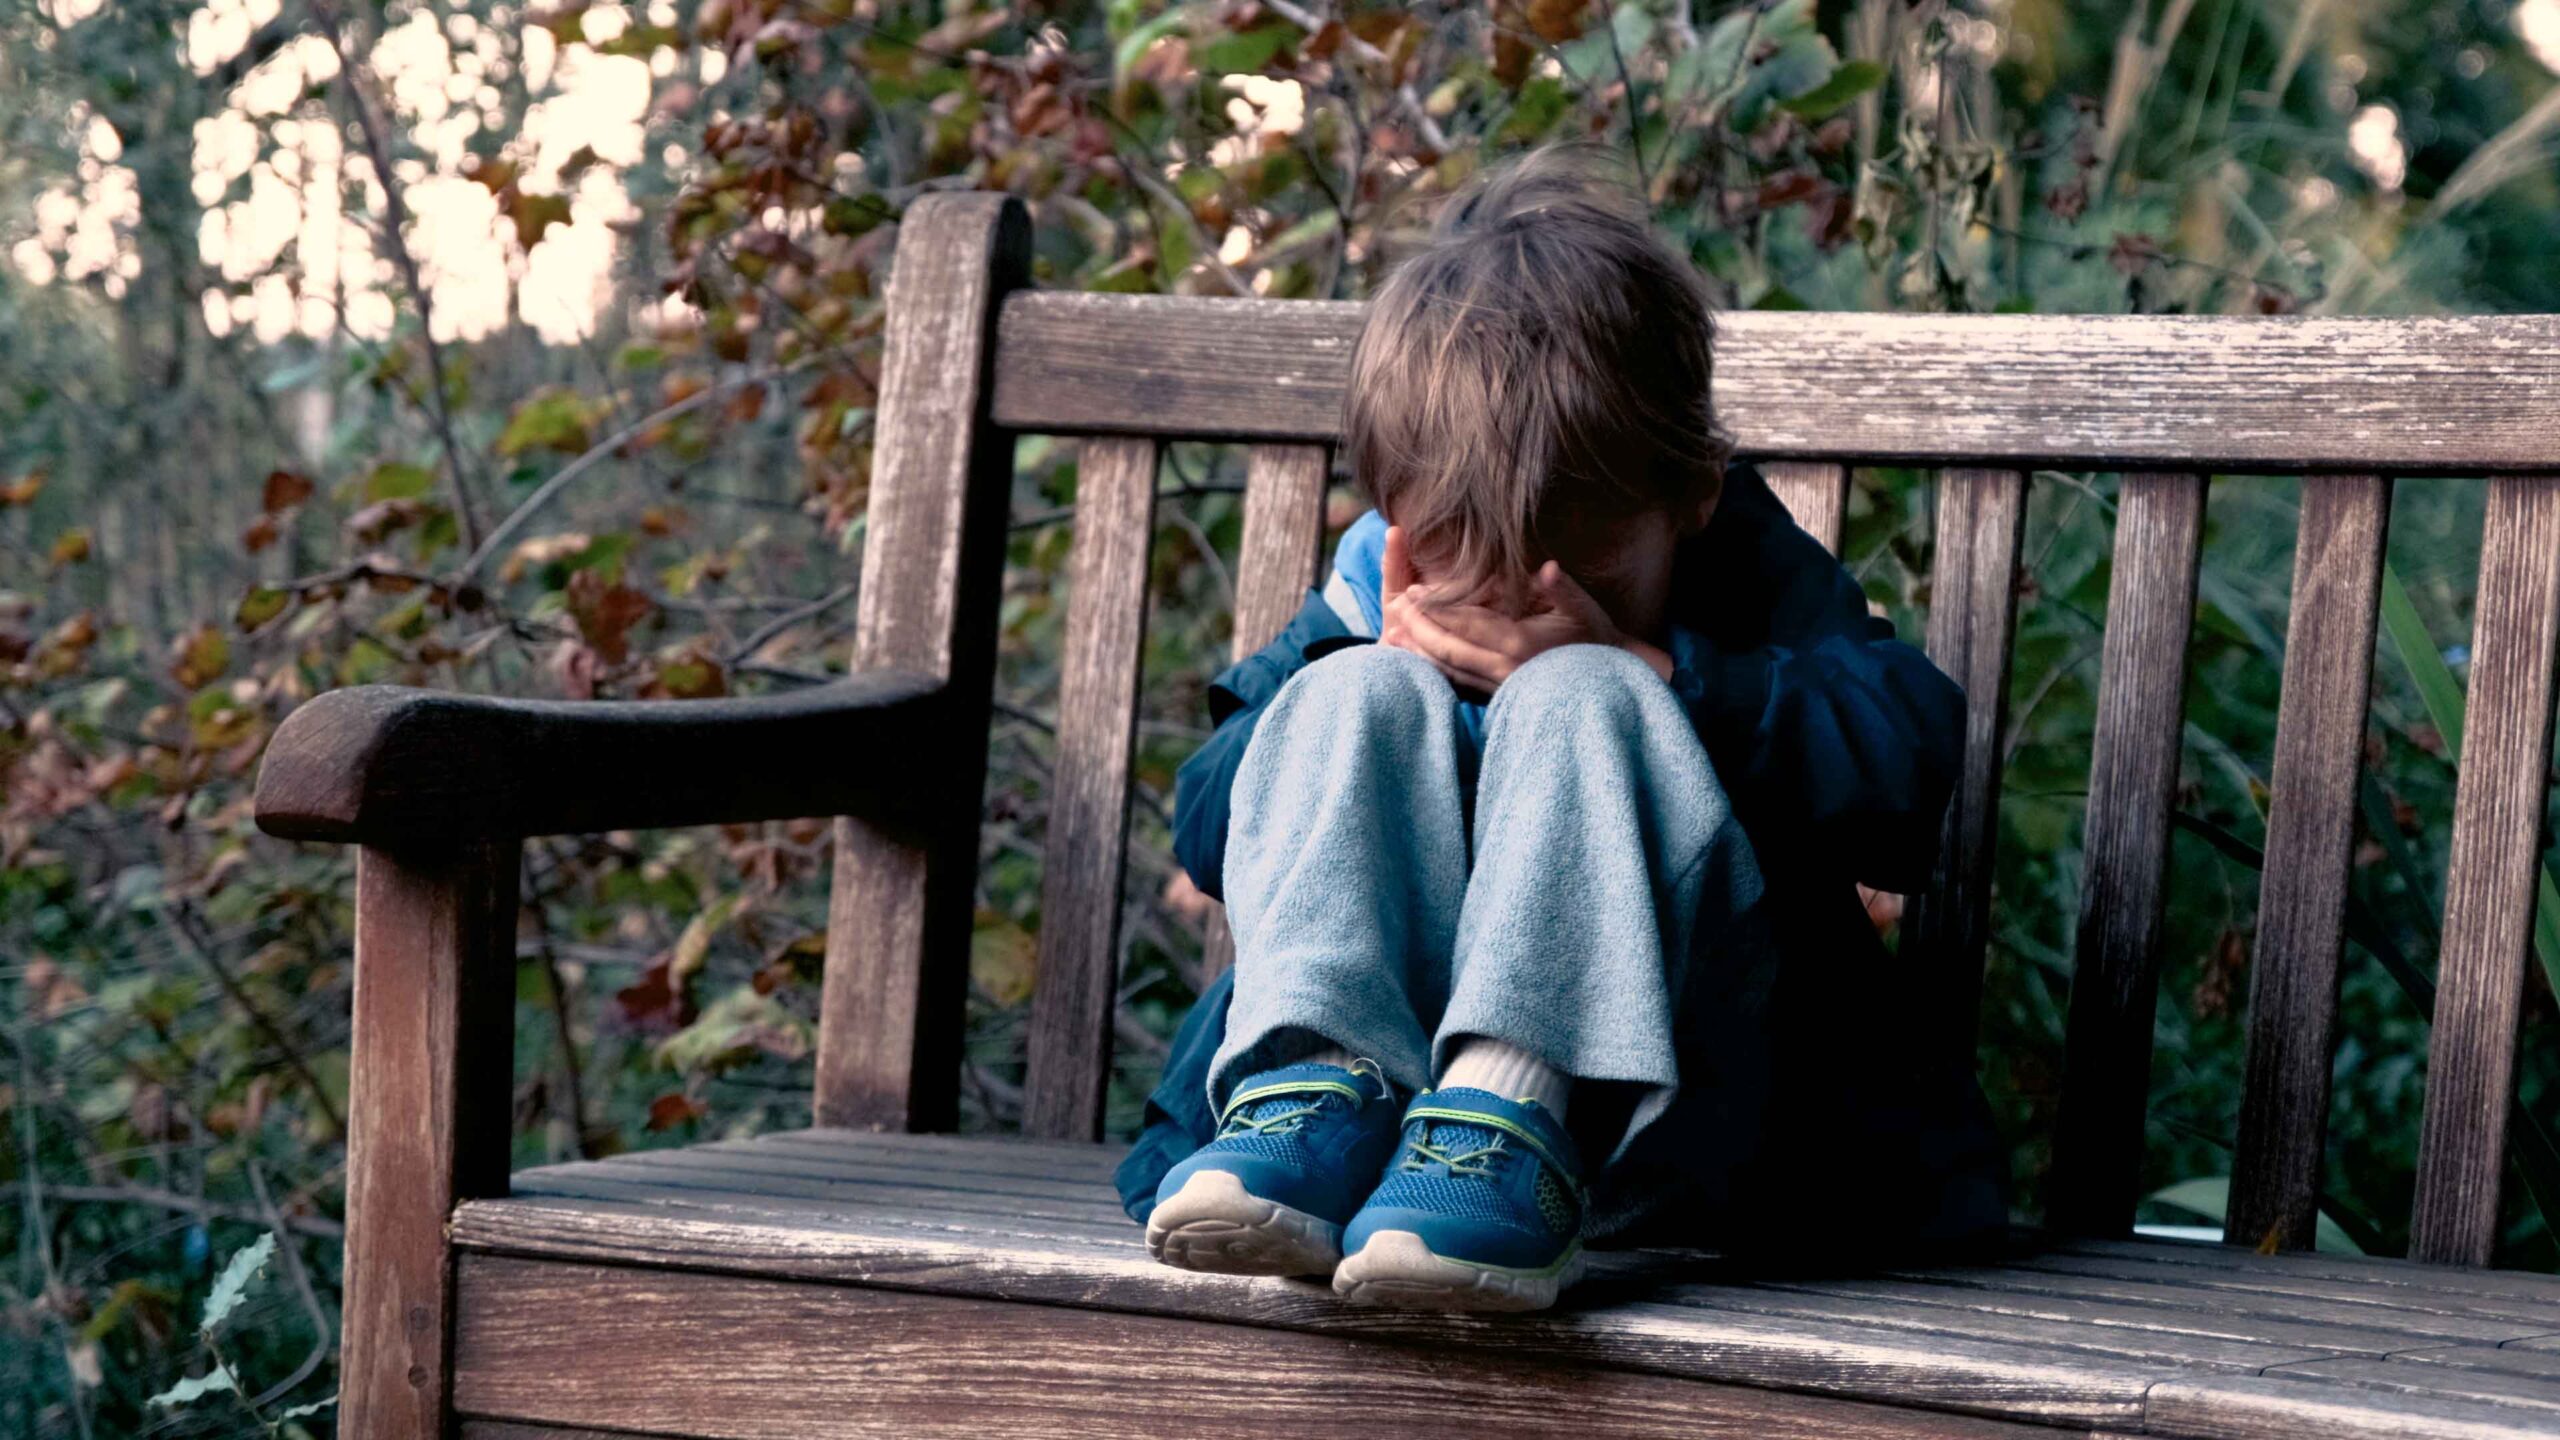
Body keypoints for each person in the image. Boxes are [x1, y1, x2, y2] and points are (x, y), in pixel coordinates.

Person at [1119, 145, 2007, 1314]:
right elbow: (1206, 824)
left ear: (1689, 494)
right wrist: (1364, 674)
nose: (1511, 596)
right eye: (1456, 558)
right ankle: (1313, 1096)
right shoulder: (1365, 594)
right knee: (1345, 701)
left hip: (1699, 1141)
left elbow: (1905, 775)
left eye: (1575, 561)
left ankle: (1509, 1109)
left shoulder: (1739, 574)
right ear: (1397, 515)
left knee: (1584, 698)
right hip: (1384, 1187)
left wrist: (1656, 671)